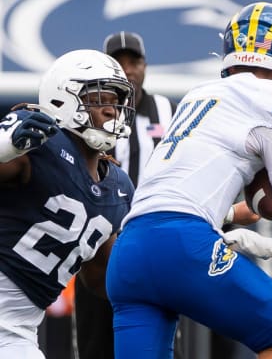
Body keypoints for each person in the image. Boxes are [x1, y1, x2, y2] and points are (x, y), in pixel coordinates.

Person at [106, 2, 272, 359]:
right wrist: (258, 200)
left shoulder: (197, 95)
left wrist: (233, 214)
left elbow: (171, 196)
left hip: (128, 255)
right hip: (184, 245)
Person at [0, 48, 135, 358]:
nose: (112, 110)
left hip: (17, 330)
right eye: (100, 98)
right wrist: (4, 149)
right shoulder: (35, 138)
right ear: (63, 97)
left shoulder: (118, 187)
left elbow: (103, 279)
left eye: (117, 100)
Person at [73, 31, 178, 359]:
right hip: (99, 242)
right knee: (96, 341)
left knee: (158, 340)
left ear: (145, 66)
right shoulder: (86, 109)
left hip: (152, 243)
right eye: (119, 62)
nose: (128, 69)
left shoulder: (165, 109)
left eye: (134, 62)